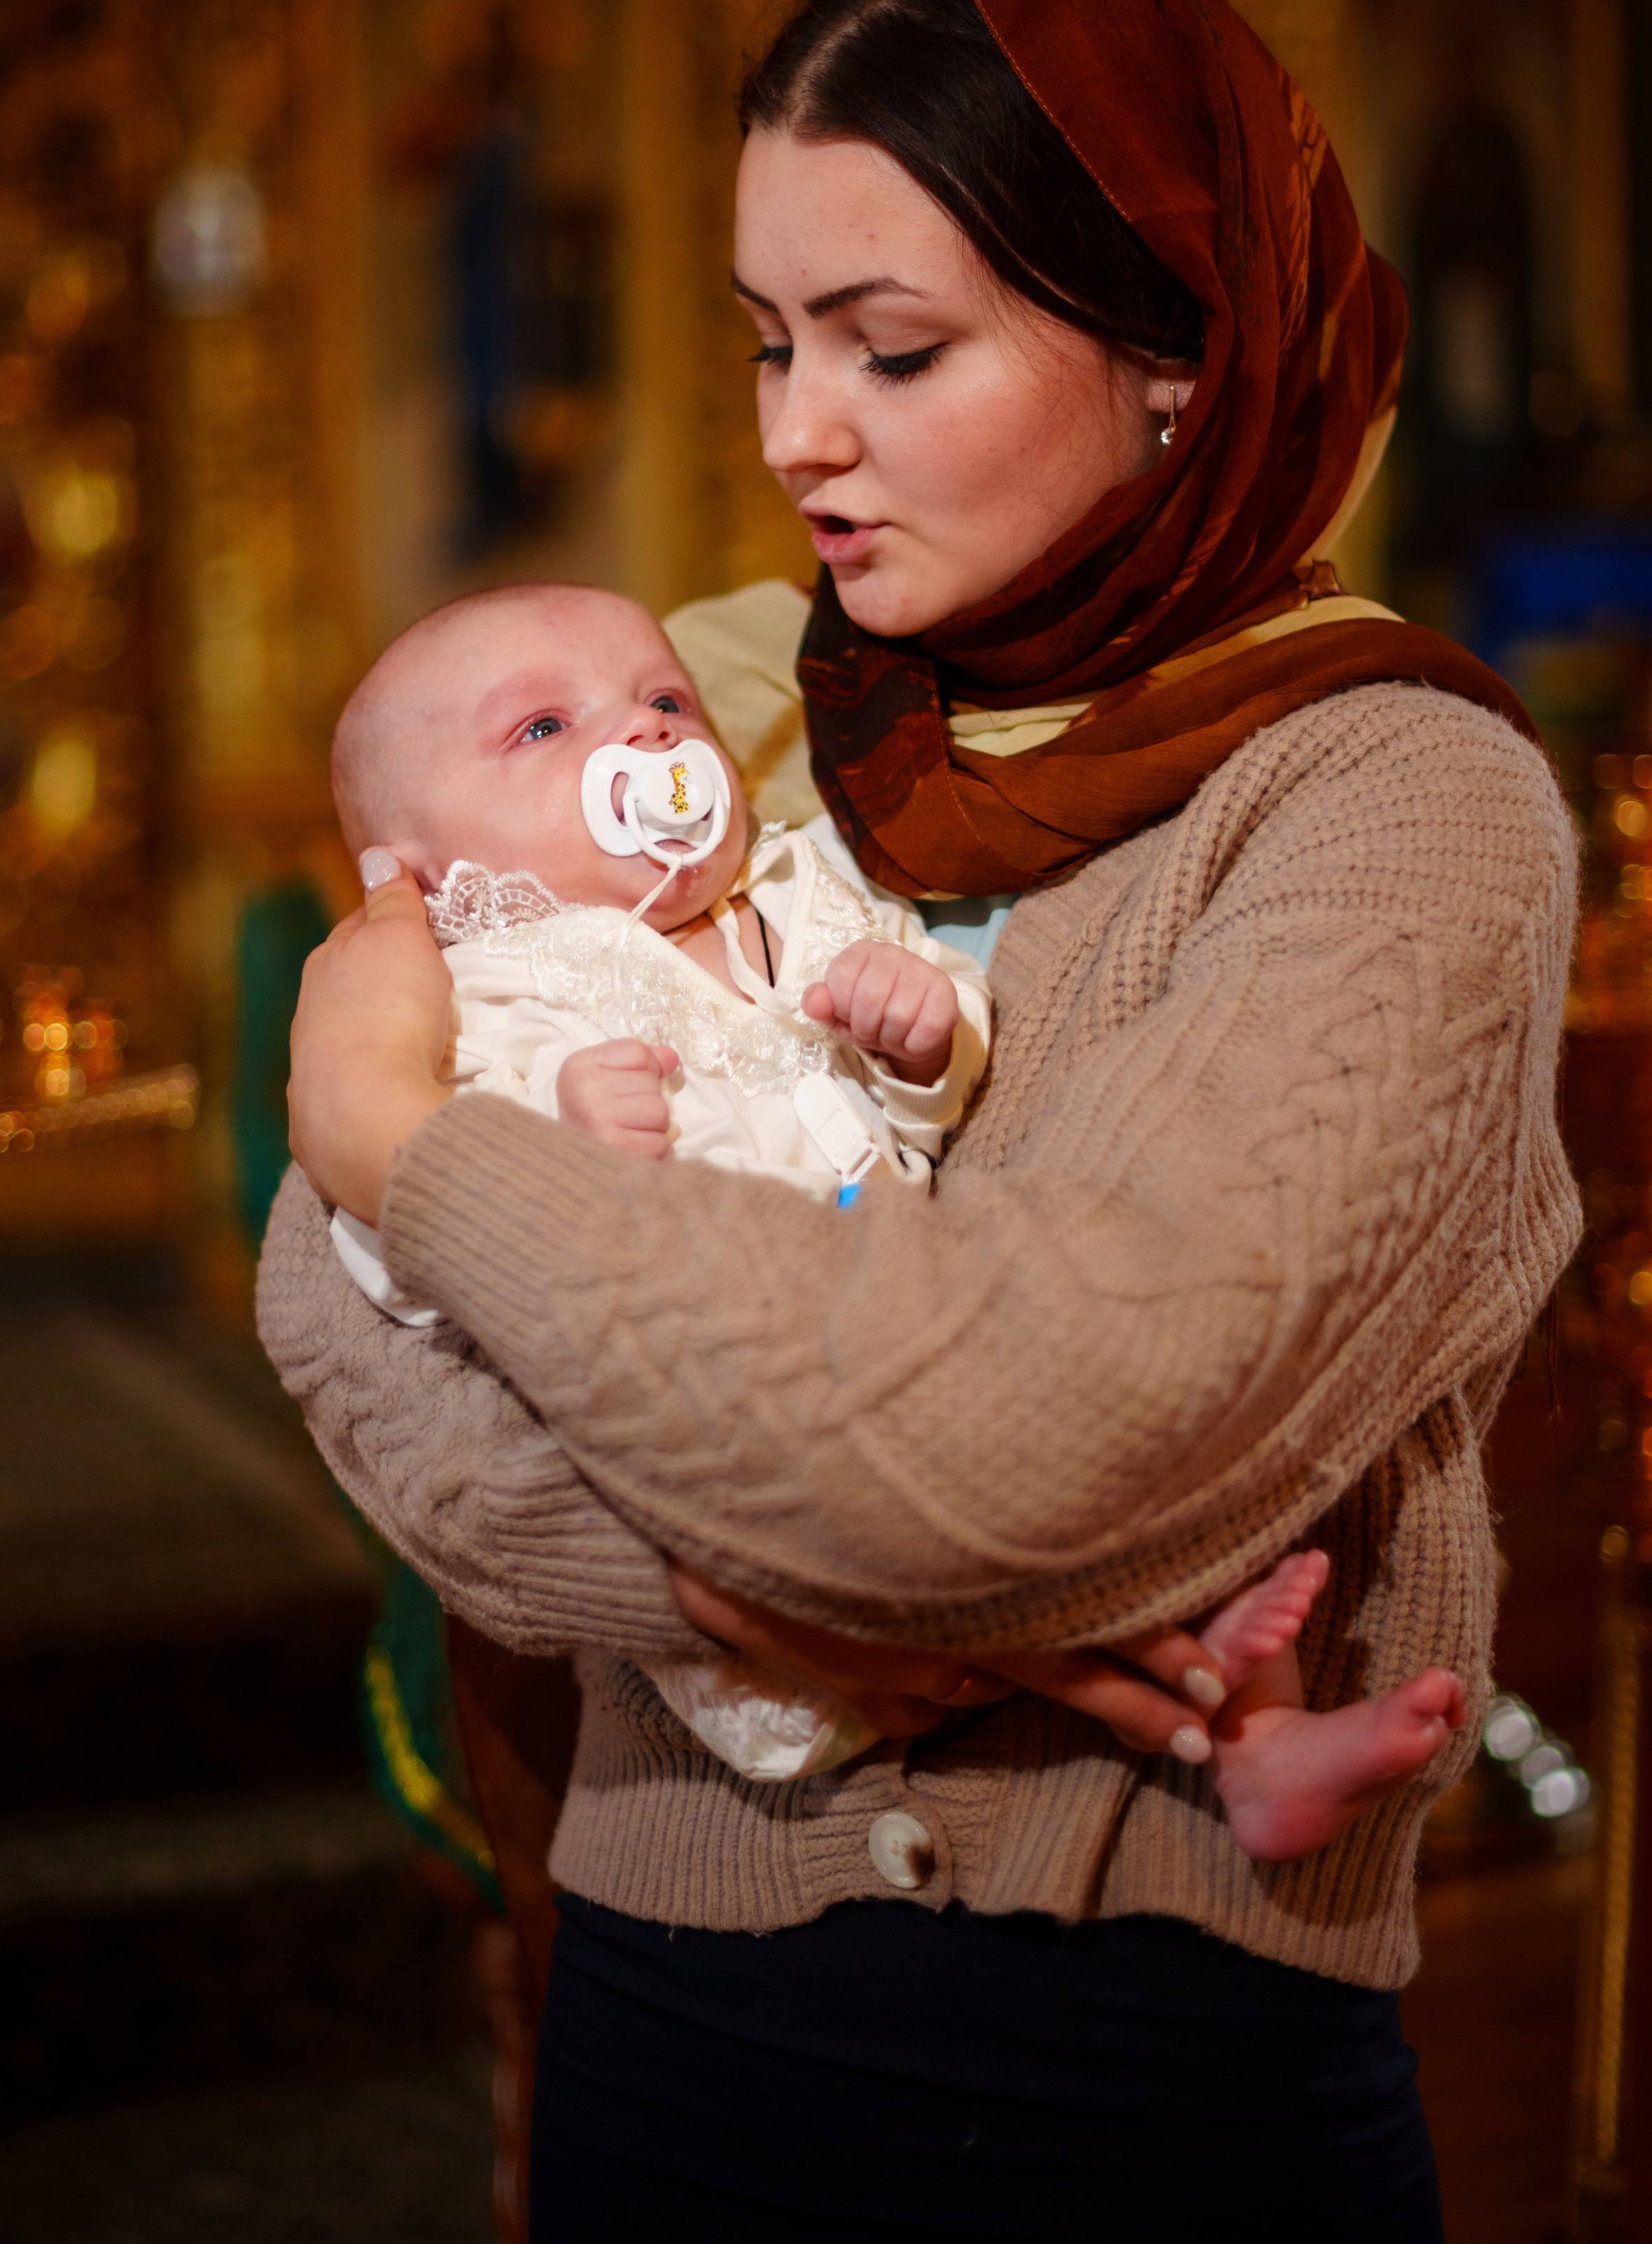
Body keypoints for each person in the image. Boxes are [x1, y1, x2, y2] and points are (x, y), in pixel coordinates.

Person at [265, 0, 1580, 2241]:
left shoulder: (1392, 804)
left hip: (1138, 2065)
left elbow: (1003, 1456)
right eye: (774, 343)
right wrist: (742, 1588)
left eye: (892, 346)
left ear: (1178, 345)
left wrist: (403, 1140)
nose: (793, 435)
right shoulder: (730, 699)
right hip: (669, 2004)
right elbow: (333, 1310)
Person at [321, 573, 1476, 1855]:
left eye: (663, 700)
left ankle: (1261, 1739)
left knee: (1090, 1477)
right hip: (713, 1410)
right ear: (420, 876)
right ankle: (1204, 1703)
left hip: (906, 1327)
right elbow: (392, 1257)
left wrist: (921, 1033)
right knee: (965, 1524)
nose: (644, 735)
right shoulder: (476, 999)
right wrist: (554, 1150)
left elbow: (919, 1106)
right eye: (542, 730)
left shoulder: (796, 889)